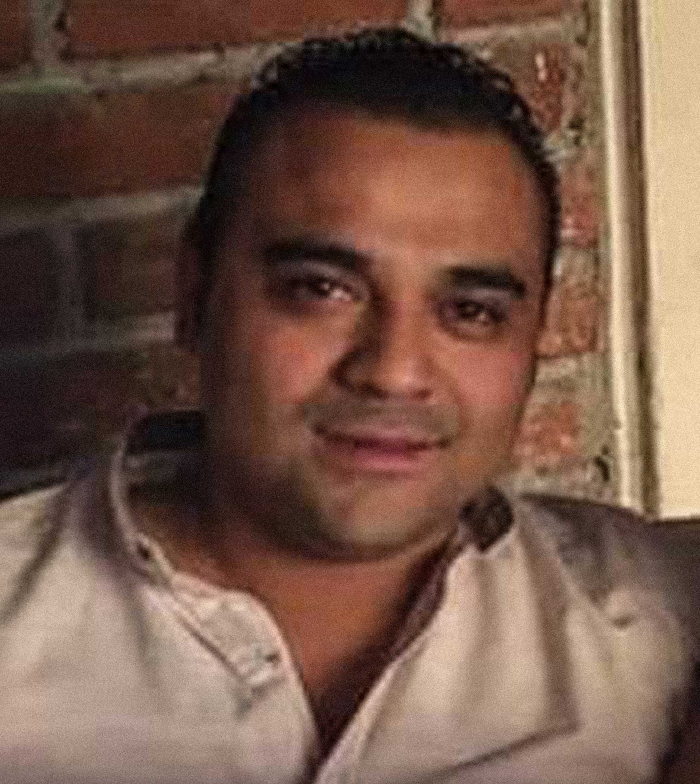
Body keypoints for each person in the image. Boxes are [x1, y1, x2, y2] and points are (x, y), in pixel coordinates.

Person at [0, 27, 698, 784]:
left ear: (535, 338)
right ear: (196, 295)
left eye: (471, 311)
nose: (394, 373)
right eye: (321, 290)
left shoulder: (657, 614)